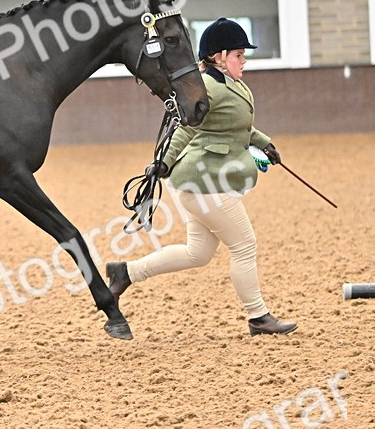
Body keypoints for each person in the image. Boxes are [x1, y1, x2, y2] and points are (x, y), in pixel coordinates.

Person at [106, 17, 297, 336]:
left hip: (202, 182)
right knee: (244, 245)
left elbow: (236, 126)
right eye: (238, 55)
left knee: (198, 253)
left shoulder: (232, 84)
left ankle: (126, 272)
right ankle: (258, 317)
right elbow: (185, 127)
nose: (244, 61)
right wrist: (163, 162)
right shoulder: (205, 87)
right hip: (204, 183)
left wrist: (264, 143)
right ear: (219, 57)